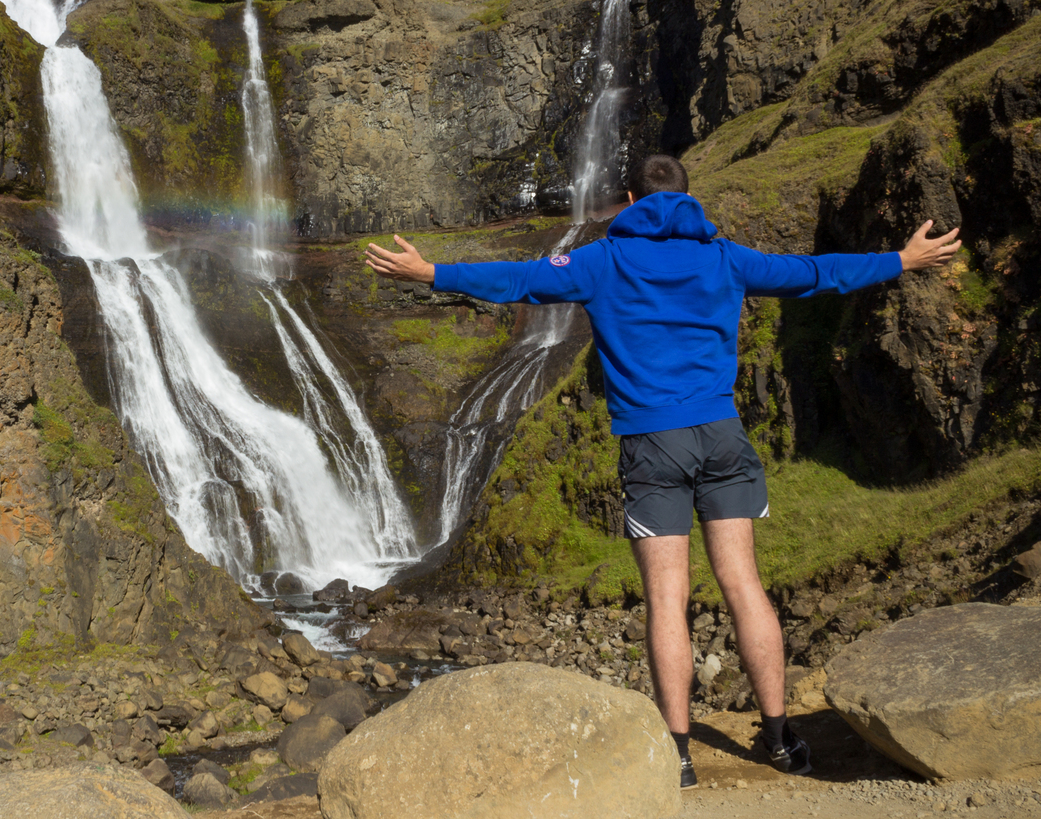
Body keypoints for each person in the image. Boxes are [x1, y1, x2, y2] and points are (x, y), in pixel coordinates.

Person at [363, 153, 961, 789]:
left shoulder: (601, 260)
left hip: (653, 445)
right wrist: (902, 260)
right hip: (723, 435)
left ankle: (678, 756)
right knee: (744, 586)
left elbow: (520, 280)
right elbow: (813, 274)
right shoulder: (724, 256)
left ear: (628, 198)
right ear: (687, 198)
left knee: (667, 599)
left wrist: (429, 272)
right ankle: (782, 740)